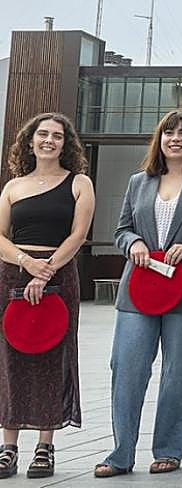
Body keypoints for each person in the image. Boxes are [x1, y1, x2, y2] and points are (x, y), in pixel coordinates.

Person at [95, 111, 182, 477]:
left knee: (177, 371)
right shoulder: (138, 182)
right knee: (126, 367)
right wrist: (134, 242)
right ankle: (121, 454)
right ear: (159, 139)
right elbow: (122, 229)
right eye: (169, 132)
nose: (176, 138)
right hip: (139, 290)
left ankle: (169, 450)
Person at [0, 113, 94, 479]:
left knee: (52, 353)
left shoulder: (79, 183)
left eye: (57, 136)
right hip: (12, 273)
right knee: (10, 356)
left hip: (59, 273)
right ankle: (8, 446)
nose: (49, 140)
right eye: (42, 134)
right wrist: (26, 262)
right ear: (30, 141)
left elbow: (78, 235)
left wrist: (46, 268)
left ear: (65, 144)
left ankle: (45, 445)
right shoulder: (12, 187)